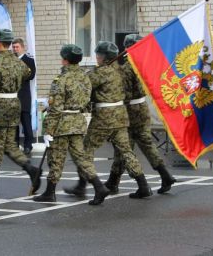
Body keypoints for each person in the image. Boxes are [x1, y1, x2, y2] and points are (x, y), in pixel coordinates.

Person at [64, 41, 152, 200]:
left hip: (104, 117)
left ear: (102, 57)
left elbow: (84, 89)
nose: (96, 58)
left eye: (98, 55)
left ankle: (83, 185)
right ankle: (143, 185)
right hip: (121, 115)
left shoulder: (98, 73)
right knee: (126, 151)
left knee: (85, 150)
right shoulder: (122, 71)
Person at [33, 44, 109, 205]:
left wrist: (48, 130)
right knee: (81, 158)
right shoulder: (85, 77)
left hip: (62, 124)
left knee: (56, 158)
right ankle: (98, 186)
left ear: (65, 60)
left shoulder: (60, 80)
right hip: (78, 122)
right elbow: (87, 102)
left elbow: (56, 108)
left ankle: (49, 191)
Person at [105, 34, 176, 195]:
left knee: (124, 147)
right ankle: (165, 175)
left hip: (130, 111)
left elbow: (120, 93)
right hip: (142, 107)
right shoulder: (146, 65)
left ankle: (125, 183)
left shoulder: (127, 68)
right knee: (146, 144)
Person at [0, 29, 41, 194]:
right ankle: (29, 169)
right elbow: (27, 73)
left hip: (1, 105)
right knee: (9, 143)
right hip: (14, 103)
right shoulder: (18, 62)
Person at [12, 38, 36, 155]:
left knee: (26, 121)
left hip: (24, 95)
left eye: (17, 47)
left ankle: (28, 145)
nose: (15, 49)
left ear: (22, 47)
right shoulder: (11, 60)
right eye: (14, 47)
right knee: (14, 122)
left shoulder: (29, 60)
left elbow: (31, 75)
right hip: (12, 95)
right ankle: (15, 145)